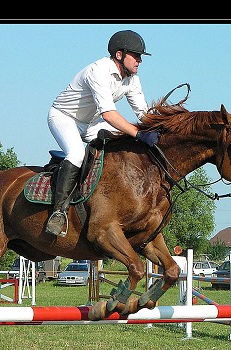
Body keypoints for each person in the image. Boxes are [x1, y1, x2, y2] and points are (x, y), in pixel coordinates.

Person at [45, 30, 160, 237]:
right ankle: (59, 213)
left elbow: (143, 114)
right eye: (136, 55)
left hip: (90, 122)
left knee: (122, 143)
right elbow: (108, 114)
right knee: (77, 155)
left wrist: (161, 127)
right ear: (119, 55)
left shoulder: (132, 79)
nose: (140, 60)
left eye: (140, 56)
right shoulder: (98, 71)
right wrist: (138, 134)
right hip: (63, 117)